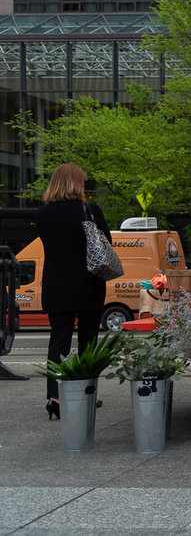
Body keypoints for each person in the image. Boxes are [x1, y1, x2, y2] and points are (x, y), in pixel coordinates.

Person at [35, 164, 111, 419]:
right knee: (88, 339)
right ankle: (86, 392)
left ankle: (54, 399)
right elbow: (106, 244)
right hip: (88, 283)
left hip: (55, 285)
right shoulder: (89, 210)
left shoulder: (42, 214)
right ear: (75, 183)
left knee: (58, 341)